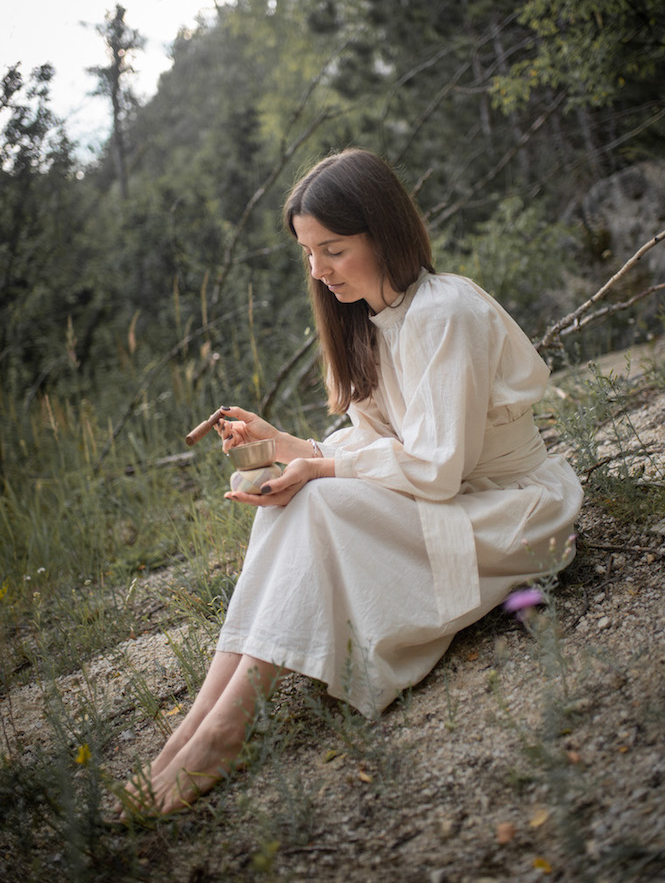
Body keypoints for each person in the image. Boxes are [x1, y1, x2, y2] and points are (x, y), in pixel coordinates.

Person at [120, 147, 583, 816]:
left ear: (383, 231)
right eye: (308, 253)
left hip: (512, 512)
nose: (318, 270)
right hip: (455, 501)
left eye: (332, 249)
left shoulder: (443, 312)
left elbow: (434, 469)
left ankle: (223, 733)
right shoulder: (374, 321)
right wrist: (282, 446)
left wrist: (317, 467)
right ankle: (196, 723)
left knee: (318, 498)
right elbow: (382, 448)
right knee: (291, 501)